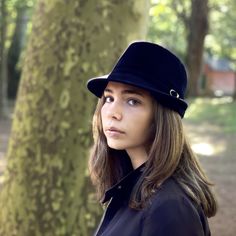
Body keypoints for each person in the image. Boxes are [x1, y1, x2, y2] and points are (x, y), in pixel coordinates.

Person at [86, 41, 217, 236]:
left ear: (161, 118)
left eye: (133, 101)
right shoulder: (130, 188)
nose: (112, 112)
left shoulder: (170, 207)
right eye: (109, 98)